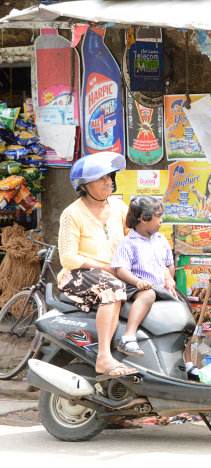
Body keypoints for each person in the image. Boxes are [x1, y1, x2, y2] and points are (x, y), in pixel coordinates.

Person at [58, 151, 135, 379]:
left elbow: (134, 239)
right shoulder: (72, 214)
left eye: (109, 176)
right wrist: (108, 268)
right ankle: (103, 356)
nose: (108, 181)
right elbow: (69, 258)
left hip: (112, 272)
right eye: (101, 178)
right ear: (84, 185)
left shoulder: (119, 207)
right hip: (76, 275)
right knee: (112, 288)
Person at [111, 196, 176, 357]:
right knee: (148, 294)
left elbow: (169, 264)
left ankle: (188, 364)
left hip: (161, 288)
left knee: (183, 310)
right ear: (144, 218)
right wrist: (137, 282)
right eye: (158, 216)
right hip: (137, 288)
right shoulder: (127, 243)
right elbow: (121, 270)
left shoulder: (161, 240)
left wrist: (170, 279)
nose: (161, 220)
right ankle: (129, 336)